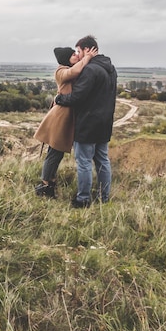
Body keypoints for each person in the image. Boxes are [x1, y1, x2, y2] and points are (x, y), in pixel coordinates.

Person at [55, 35, 117, 208]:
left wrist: (60, 99)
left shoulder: (90, 70)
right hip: (105, 123)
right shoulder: (111, 69)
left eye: (78, 51)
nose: (77, 55)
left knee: (84, 163)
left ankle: (83, 199)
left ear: (87, 50)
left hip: (87, 124)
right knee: (103, 161)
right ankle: (104, 197)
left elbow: (77, 97)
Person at [33, 46, 98, 198]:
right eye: (73, 54)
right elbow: (73, 72)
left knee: (57, 153)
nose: (76, 55)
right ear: (66, 59)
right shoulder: (61, 71)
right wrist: (87, 57)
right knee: (54, 153)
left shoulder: (71, 68)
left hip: (65, 117)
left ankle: (49, 184)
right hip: (60, 118)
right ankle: (45, 186)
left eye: (76, 53)